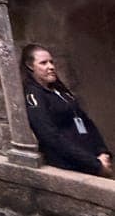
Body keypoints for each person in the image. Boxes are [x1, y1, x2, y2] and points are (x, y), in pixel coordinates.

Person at [21, 43, 112, 177]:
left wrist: (103, 152)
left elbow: (86, 122)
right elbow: (51, 137)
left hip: (92, 158)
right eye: (43, 63)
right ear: (30, 66)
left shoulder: (59, 91)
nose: (51, 67)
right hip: (71, 165)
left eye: (51, 62)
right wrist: (94, 164)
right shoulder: (34, 96)